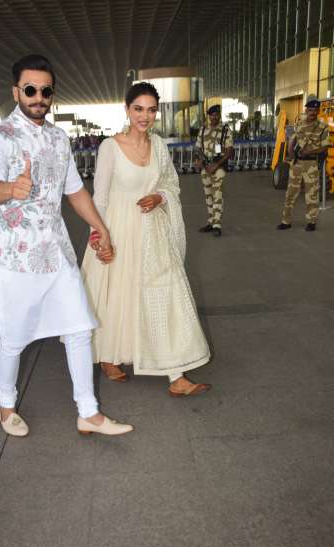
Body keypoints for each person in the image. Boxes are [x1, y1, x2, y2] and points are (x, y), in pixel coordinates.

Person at [0, 54, 133, 437]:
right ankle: (6, 405)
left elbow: (75, 190)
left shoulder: (59, 138)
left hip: (57, 253)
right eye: (30, 89)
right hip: (16, 257)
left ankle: (89, 413)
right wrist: (11, 189)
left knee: (79, 329)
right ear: (16, 91)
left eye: (45, 90)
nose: (38, 96)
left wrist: (101, 228)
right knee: (13, 339)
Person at [78, 82, 211, 395]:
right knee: (115, 296)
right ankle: (108, 356)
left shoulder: (160, 146)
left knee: (162, 295)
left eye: (151, 109)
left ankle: (175, 376)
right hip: (118, 230)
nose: (145, 115)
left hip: (153, 232)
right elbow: (100, 197)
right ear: (127, 110)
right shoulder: (110, 147)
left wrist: (159, 198)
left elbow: (171, 185)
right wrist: (99, 235)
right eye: (138, 108)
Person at [277, 96, 329, 232]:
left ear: (318, 111)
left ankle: (311, 221)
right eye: (310, 109)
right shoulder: (299, 124)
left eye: (315, 110)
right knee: (290, 193)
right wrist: (290, 152)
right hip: (297, 164)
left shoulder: (323, 127)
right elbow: (293, 139)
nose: (312, 112)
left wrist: (310, 151)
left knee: (311, 194)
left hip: (311, 164)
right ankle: (286, 221)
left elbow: (324, 147)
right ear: (306, 110)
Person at [195, 105, 233, 237]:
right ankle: (210, 222)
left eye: (217, 114)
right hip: (206, 168)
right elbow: (198, 148)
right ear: (209, 116)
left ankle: (217, 224)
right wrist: (200, 160)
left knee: (217, 195)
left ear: (219, 115)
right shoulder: (203, 129)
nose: (214, 117)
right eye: (212, 115)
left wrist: (216, 165)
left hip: (218, 168)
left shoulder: (225, 130)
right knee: (208, 196)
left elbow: (229, 152)